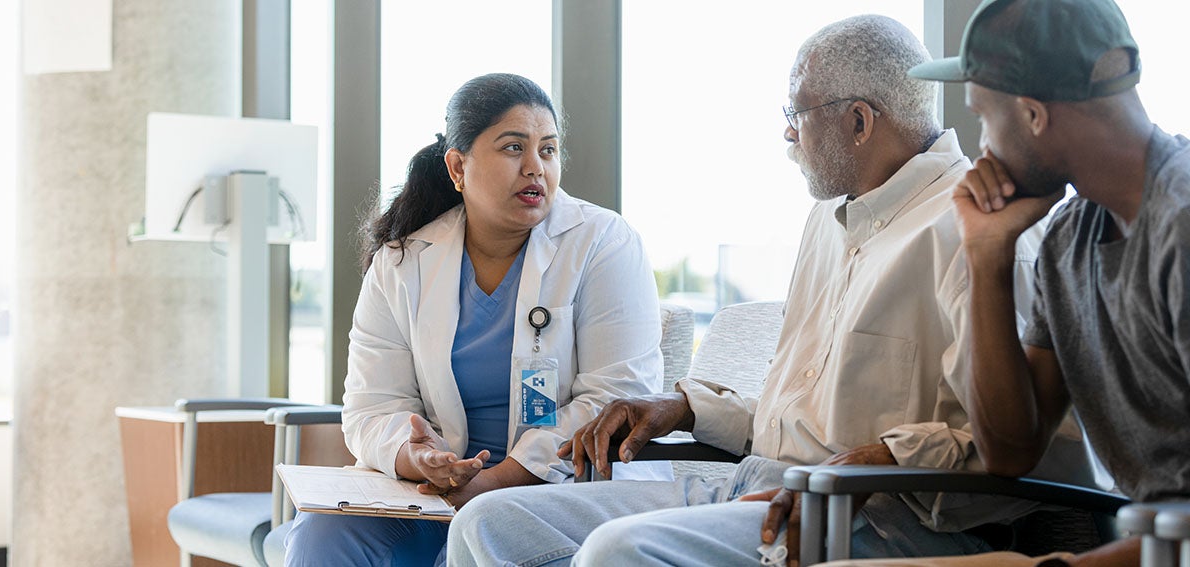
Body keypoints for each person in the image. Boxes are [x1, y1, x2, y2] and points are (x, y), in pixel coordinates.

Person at [445, 16, 1088, 567]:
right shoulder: (830, 220)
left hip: (882, 516)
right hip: (754, 479)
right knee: (489, 523)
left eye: (795, 115)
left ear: (859, 122)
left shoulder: (975, 229)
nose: (787, 135)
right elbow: (800, 419)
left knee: (621, 552)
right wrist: (684, 406)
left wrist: (869, 461)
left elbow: (1025, 448)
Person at [817, 1, 1190, 566]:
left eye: (984, 119)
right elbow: (1011, 449)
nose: (982, 149)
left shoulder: (1180, 226)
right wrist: (986, 255)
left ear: (1034, 114)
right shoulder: (1069, 240)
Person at [283, 73, 669, 566]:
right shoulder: (403, 260)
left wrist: (493, 482)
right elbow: (372, 407)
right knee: (324, 535)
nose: (536, 168)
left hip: (561, 489)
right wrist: (416, 456)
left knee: (477, 537)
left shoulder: (604, 242)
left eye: (548, 150)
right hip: (431, 490)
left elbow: (616, 398)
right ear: (458, 166)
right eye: (513, 148)